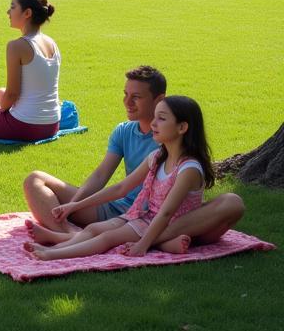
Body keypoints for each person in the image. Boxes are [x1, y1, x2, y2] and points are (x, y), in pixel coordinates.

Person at [22, 66, 245, 243]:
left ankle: (103, 238)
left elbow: (175, 201)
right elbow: (103, 177)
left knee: (232, 202)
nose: (127, 102)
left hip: (159, 219)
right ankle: (70, 235)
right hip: (118, 211)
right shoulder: (124, 131)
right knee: (35, 180)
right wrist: (75, 205)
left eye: (136, 97)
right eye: (125, 94)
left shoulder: (169, 141)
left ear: (159, 100)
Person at [26, 96, 218, 260]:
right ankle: (54, 247)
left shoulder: (188, 169)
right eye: (155, 117)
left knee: (107, 238)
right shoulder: (157, 157)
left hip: (162, 224)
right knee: (94, 229)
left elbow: (166, 213)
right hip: (144, 217)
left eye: (161, 119)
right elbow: (121, 188)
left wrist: (142, 245)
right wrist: (75, 206)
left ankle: (52, 254)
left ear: (182, 127)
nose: (153, 124)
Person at [0, 0, 60, 141]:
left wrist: (0, 111)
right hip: (52, 124)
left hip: (27, 125)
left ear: (27, 13)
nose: (8, 12)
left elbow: (12, 94)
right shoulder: (51, 43)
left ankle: (3, 117)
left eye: (12, 7)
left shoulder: (16, 46)